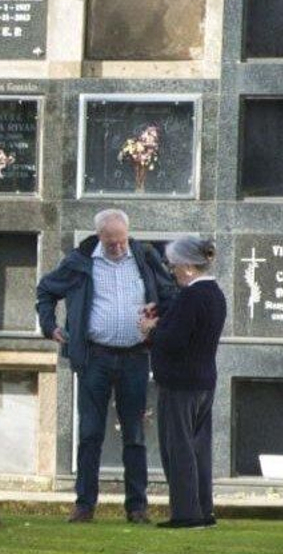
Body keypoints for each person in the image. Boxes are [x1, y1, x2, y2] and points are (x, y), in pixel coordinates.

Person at [35, 209, 176, 524]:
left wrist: (158, 317)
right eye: (110, 243)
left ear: (128, 234)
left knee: (135, 433)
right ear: (99, 236)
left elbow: (169, 294)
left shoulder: (145, 257)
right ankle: (85, 505)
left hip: (136, 356)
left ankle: (137, 507)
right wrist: (49, 325)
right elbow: (46, 290)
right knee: (90, 433)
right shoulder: (80, 261)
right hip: (93, 357)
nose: (117, 248)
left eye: (121, 241)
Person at [139, 236, 227, 529]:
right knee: (198, 450)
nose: (172, 270)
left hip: (180, 383)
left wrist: (150, 330)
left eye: (174, 265)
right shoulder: (214, 292)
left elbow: (175, 340)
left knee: (178, 450)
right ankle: (204, 510)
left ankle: (186, 513)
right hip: (204, 380)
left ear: (188, 266)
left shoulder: (191, 295)